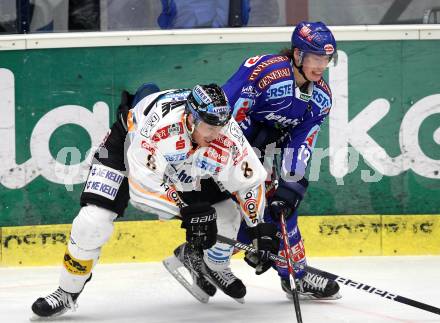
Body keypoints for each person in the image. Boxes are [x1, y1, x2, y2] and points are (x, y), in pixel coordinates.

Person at [31, 84, 279, 317]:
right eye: (210, 128)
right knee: (92, 222)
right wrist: (186, 210)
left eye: (221, 127)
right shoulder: (159, 128)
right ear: (191, 119)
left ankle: (212, 265)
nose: (217, 135)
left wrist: (259, 228)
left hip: (183, 158)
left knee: (226, 213)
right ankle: (67, 290)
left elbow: (249, 181)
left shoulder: (223, 130)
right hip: (127, 149)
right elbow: (142, 187)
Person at [221, 21, 342, 300]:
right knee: (248, 214)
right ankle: (202, 255)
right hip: (222, 146)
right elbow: (227, 109)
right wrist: (234, 159)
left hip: (262, 154)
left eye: (326, 59)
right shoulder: (266, 70)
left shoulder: (321, 97)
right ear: (298, 55)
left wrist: (291, 184)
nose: (321, 66)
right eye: (315, 57)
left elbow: (302, 143)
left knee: (282, 209)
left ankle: (295, 276)